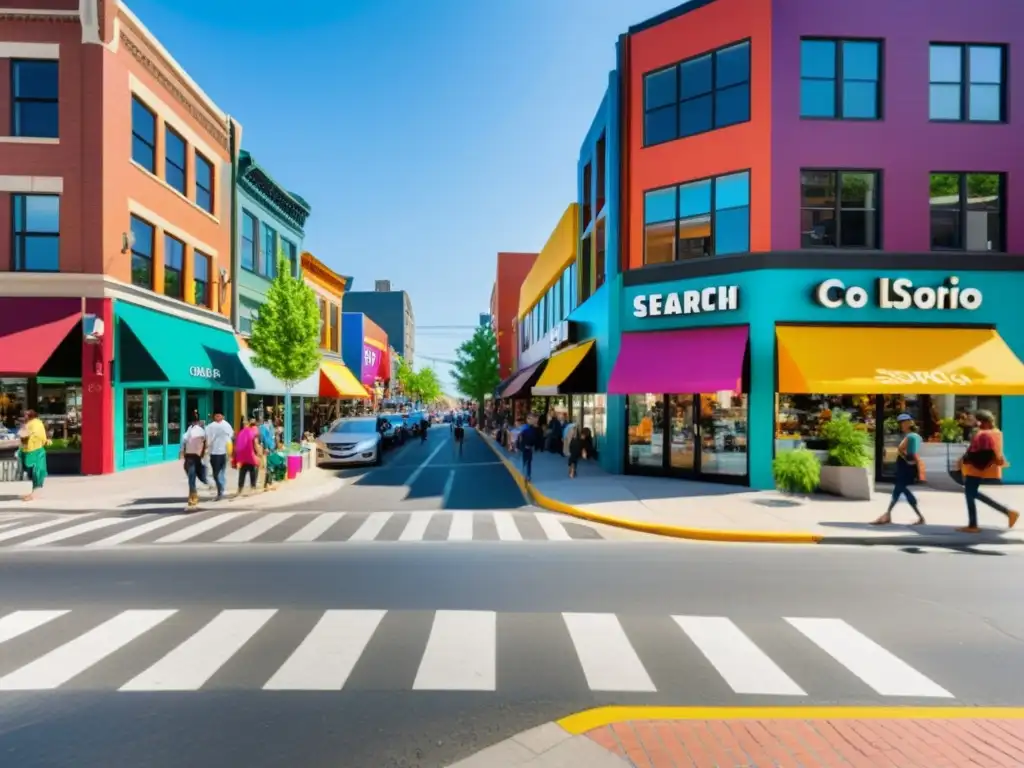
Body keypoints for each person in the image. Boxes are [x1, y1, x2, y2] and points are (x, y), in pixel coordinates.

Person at [956, 409, 1019, 532]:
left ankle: (1007, 513)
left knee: (971, 494)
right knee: (971, 494)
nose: (973, 422)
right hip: (983, 468)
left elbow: (977, 452)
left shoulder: (982, 434)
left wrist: (963, 460)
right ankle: (974, 524)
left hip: (975, 468)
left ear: (981, 421)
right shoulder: (997, 432)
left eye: (975, 420)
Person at [872, 413, 925, 526]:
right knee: (898, 491)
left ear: (909, 423)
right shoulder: (913, 436)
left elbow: (911, 454)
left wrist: (902, 454)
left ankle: (888, 515)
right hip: (905, 467)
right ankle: (888, 515)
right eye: (900, 423)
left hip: (905, 468)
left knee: (901, 490)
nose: (901, 425)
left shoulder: (911, 436)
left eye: (903, 422)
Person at [17, 410, 50, 502]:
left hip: (36, 451)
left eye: (26, 415)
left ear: (31, 415)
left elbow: (37, 436)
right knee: (31, 472)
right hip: (28, 451)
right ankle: (34, 492)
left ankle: (35, 494)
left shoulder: (36, 424)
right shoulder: (28, 423)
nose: (24, 416)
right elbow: (23, 435)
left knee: (37, 472)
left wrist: (27, 435)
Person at [205, 411, 234, 501]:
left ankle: (220, 490)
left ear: (223, 416)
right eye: (216, 416)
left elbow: (231, 436)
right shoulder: (210, 426)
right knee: (216, 473)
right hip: (214, 452)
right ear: (214, 417)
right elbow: (207, 439)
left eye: (219, 415)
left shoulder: (226, 425)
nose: (218, 417)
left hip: (224, 452)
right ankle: (221, 488)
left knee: (220, 472)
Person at [180, 415, 208, 509]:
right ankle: (193, 497)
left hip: (193, 457)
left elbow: (184, 442)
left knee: (194, 478)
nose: (195, 423)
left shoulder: (196, 431)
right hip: (192, 457)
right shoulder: (194, 431)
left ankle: (193, 496)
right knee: (193, 478)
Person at [235, 419, 262, 496]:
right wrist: (259, 453)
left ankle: (240, 488)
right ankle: (253, 487)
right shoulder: (252, 432)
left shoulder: (240, 433)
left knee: (243, 471)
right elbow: (255, 443)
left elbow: (237, 445)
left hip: (243, 456)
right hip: (251, 455)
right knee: (253, 470)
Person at [517, 415, 542, 482]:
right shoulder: (524, 428)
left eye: (531, 419)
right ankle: (526, 475)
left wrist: (535, 446)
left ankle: (528, 475)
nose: (530, 420)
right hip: (524, 447)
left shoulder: (534, 428)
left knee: (529, 462)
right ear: (527, 420)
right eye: (529, 419)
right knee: (525, 461)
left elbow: (537, 438)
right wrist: (520, 446)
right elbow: (520, 438)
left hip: (530, 448)